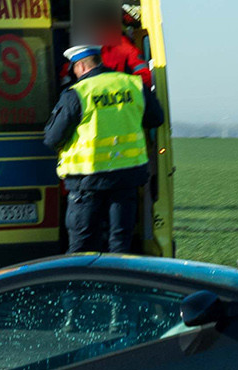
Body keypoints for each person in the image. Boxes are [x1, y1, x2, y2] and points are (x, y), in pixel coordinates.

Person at [44, 45, 164, 255]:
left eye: (74, 68)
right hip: (126, 178)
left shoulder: (78, 93)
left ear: (80, 66)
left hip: (87, 182)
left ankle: (82, 286)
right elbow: (156, 118)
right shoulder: (133, 84)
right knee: (120, 243)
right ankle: (115, 284)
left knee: (82, 245)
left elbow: (53, 138)